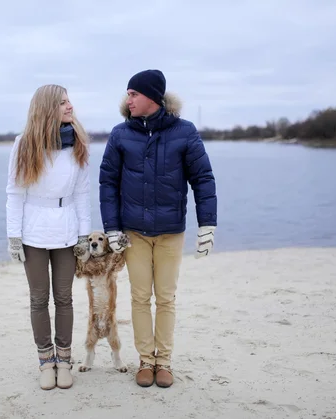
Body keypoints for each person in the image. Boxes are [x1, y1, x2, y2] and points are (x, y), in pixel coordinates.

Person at [99, 69, 217, 388]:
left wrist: (207, 223)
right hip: (133, 232)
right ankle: (145, 360)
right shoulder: (120, 134)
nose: (128, 100)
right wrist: (112, 229)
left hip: (170, 232)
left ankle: (163, 361)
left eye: (134, 94)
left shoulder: (185, 132)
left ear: (152, 96)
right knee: (139, 297)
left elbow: (203, 179)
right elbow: (108, 182)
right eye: (128, 94)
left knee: (165, 298)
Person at [6, 84, 91, 390]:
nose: (71, 107)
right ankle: (46, 362)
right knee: (39, 299)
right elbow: (15, 194)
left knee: (64, 298)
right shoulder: (24, 144)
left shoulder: (78, 143)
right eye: (63, 102)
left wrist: (84, 235)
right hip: (34, 232)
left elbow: (82, 194)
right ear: (47, 108)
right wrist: (14, 236)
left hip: (67, 231)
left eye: (70, 101)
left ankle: (65, 361)